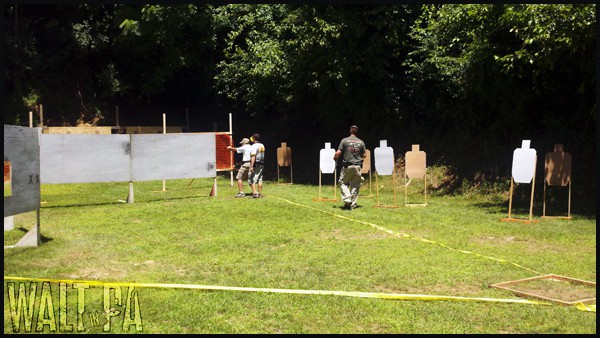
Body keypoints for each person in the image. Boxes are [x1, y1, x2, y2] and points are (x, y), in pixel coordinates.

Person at [333, 125, 366, 210]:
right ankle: (353, 204)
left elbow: (338, 152)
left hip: (347, 166)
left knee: (343, 182)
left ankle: (347, 199)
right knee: (355, 186)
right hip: (358, 166)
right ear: (357, 132)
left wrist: (335, 157)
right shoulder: (361, 142)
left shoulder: (344, 140)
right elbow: (364, 155)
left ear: (350, 131)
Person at [248, 133, 265, 198]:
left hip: (256, 164)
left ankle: (255, 194)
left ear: (254, 138)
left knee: (252, 178)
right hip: (262, 163)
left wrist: (251, 165)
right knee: (260, 179)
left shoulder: (253, 146)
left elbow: (253, 156)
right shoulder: (262, 145)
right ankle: (260, 193)